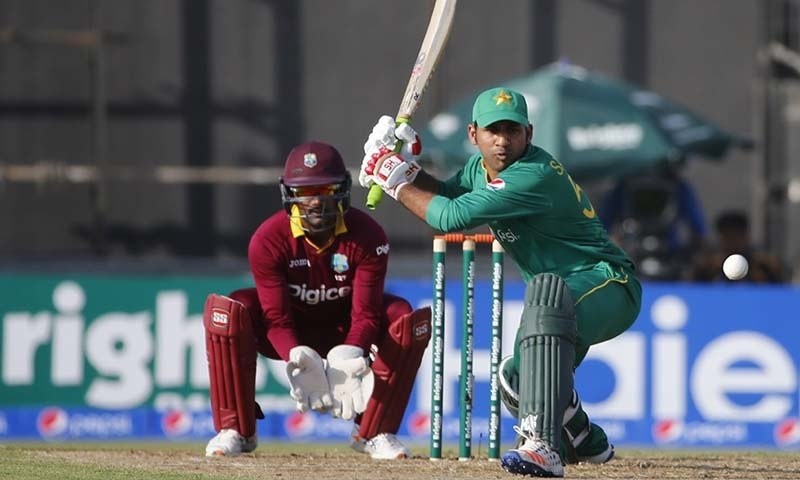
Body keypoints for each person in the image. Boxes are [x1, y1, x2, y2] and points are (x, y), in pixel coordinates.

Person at [359, 88, 642, 477]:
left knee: (545, 297)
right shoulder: (479, 170)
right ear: (474, 134)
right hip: (558, 297)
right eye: (493, 131)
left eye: (512, 131)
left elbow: (449, 218)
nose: (503, 141)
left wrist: (390, 179)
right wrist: (405, 166)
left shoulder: (533, 175)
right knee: (516, 381)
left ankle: (542, 448)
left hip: (608, 286)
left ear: (529, 133)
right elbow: (445, 194)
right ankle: (587, 442)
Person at [203, 141, 431, 459]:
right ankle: (236, 430)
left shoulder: (368, 235)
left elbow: (365, 313)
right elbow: (275, 317)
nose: (315, 202)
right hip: (288, 331)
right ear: (290, 194)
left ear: (341, 190)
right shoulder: (268, 239)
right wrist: (295, 354)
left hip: (346, 329)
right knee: (230, 308)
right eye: (305, 191)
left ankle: (375, 431)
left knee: (403, 317)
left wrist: (350, 354)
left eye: (325, 190)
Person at [689, 209, 784, 283]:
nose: (732, 241)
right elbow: (690, 288)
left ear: (746, 236)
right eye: (728, 236)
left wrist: (759, 268)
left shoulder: (762, 264)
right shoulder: (708, 265)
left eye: (736, 235)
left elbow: (781, 285)